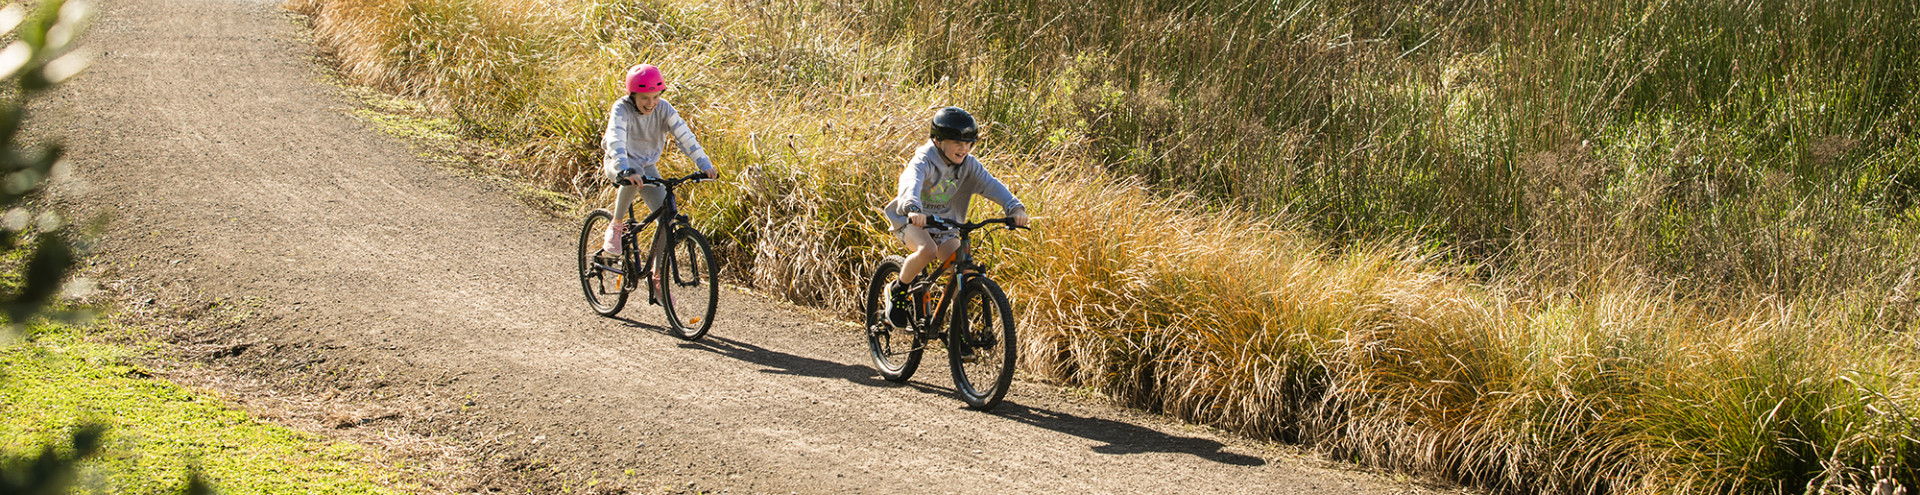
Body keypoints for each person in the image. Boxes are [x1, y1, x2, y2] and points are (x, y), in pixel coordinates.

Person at [881, 106, 1030, 327]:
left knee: (964, 273)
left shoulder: (969, 165)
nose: (964, 148)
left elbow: (992, 185)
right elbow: (911, 181)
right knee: (927, 250)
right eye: (957, 142)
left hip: (944, 226)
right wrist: (913, 207)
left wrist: (1014, 208)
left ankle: (957, 328)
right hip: (911, 220)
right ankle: (898, 291)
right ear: (938, 141)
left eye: (969, 143)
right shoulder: (924, 160)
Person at [601, 64, 718, 255]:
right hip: (618, 163)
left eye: (656, 96)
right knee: (635, 172)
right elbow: (616, 139)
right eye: (644, 98)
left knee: (667, 221)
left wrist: (704, 165)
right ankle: (616, 224)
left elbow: (686, 138)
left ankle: (656, 276)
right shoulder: (621, 108)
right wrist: (624, 168)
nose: (651, 103)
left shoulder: (664, 109)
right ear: (633, 96)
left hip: (647, 166)